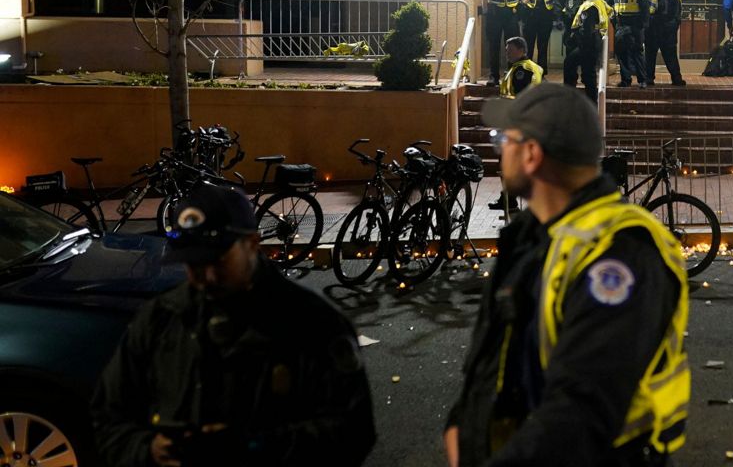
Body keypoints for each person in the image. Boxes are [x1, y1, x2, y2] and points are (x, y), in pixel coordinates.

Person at [445, 83, 690, 467]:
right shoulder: (530, 233)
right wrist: (462, 423)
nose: (497, 149)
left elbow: (581, 414)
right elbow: (495, 351)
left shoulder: (621, 252)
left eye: (502, 139)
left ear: (531, 154)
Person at [91, 184, 376, 467]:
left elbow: (353, 432)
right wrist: (150, 450)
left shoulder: (313, 322)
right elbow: (109, 416)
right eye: (196, 264)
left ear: (252, 244)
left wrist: (254, 447)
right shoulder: (160, 318)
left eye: (219, 260)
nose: (209, 276)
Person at [491, 36, 544, 211]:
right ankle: (508, 199)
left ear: (521, 49)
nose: (507, 52)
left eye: (510, 49)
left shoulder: (522, 69)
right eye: (506, 49)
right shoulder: (525, 68)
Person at [481, 0, 532, 86]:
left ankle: (512, 75)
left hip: (511, 13)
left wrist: (523, 3)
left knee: (513, 46)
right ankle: (493, 76)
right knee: (494, 45)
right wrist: (486, 9)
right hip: (495, 12)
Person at [563, 0, 613, 97]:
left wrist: (576, 40)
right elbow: (610, 13)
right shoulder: (600, 2)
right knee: (587, 72)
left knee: (580, 69)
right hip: (596, 40)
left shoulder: (588, 6)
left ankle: (573, 95)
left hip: (588, 43)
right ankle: (589, 100)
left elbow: (586, 29)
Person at [610, 0, 653, 88]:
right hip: (620, 25)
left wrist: (641, 26)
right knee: (622, 54)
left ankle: (642, 80)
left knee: (637, 53)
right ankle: (625, 80)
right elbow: (608, 0)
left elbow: (645, 9)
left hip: (634, 25)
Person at [645, 0, 686, 87]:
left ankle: (676, 78)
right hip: (654, 22)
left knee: (670, 52)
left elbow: (676, 1)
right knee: (650, 52)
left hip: (669, 23)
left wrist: (676, 20)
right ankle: (648, 78)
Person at [521, 0, 561, 73]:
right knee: (528, 44)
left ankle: (542, 71)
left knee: (543, 45)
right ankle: (528, 71)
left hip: (545, 15)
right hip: (529, 15)